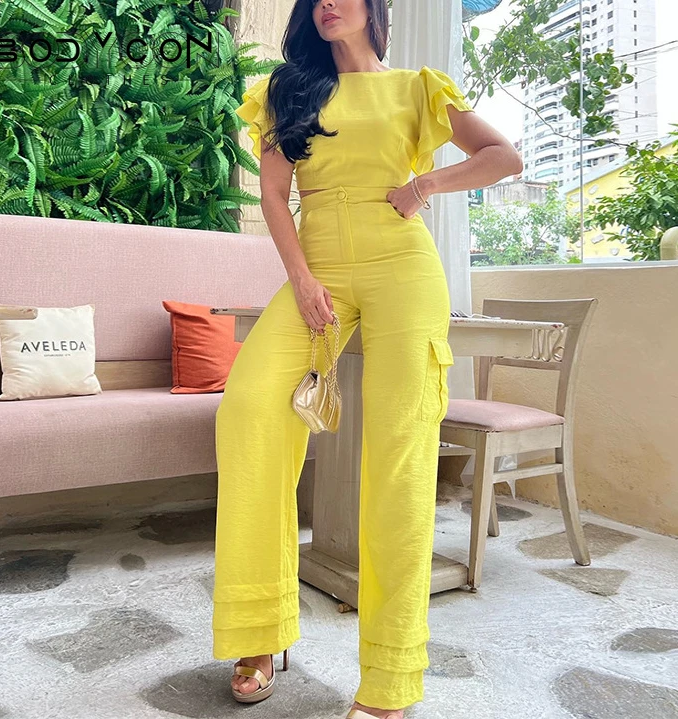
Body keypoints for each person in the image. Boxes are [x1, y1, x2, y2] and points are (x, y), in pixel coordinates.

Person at [212, 1, 523, 717]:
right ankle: (259, 631)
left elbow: (502, 157)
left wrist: (425, 184)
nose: (326, 3)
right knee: (249, 410)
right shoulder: (289, 89)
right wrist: (300, 278)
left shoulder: (417, 87)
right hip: (316, 264)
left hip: (402, 267)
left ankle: (389, 678)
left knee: (398, 454)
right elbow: (273, 192)